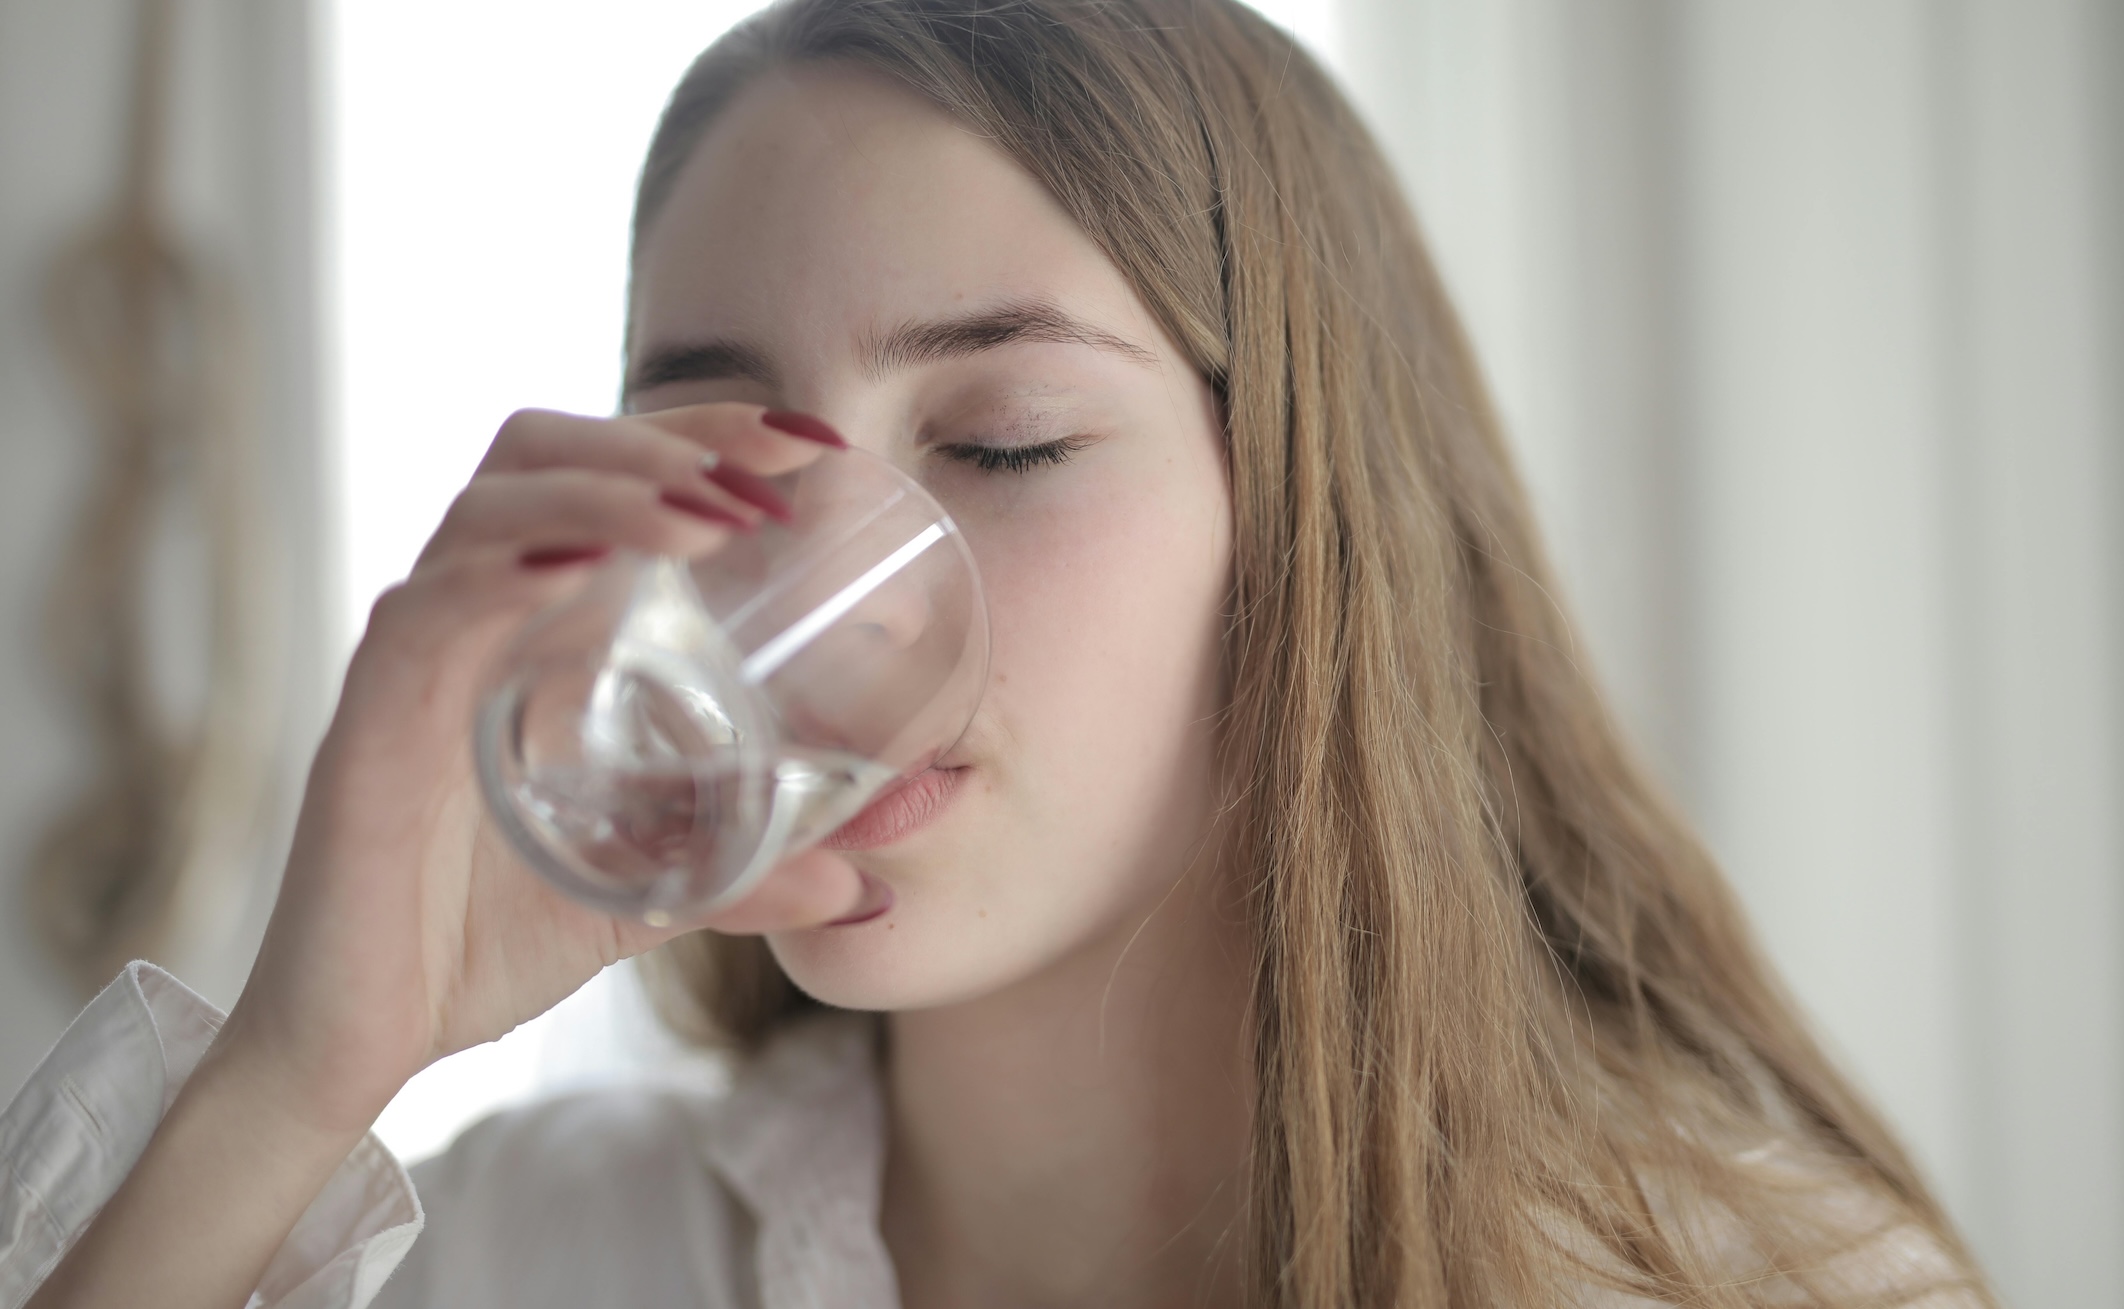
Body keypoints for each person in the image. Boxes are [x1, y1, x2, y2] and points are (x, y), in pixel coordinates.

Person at [3, 2, 1995, 1306]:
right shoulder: (539, 1250)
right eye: (715, 460)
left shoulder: (1746, 1285)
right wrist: (292, 1074)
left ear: (1305, 517)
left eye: (1003, 442)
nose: (832, 586)